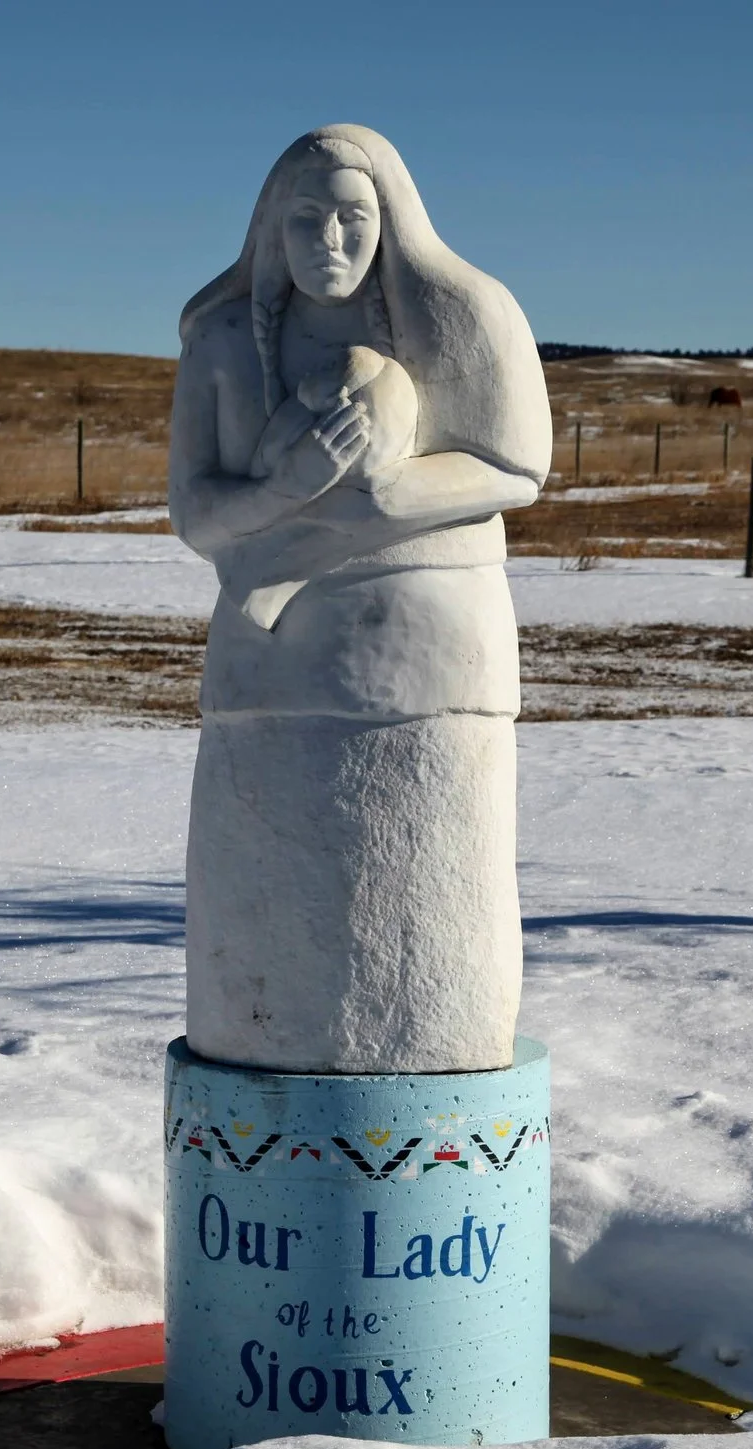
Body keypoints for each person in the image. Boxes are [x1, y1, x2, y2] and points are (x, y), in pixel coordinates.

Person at [170, 124, 550, 1074]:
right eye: (306, 219)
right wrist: (281, 493)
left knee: (426, 899)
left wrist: (393, 494)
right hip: (268, 653)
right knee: (264, 904)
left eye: (353, 218)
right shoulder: (221, 343)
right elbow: (197, 513)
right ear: (269, 228)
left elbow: (519, 463)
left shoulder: (465, 313)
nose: (329, 242)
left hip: (427, 647)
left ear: (391, 222)